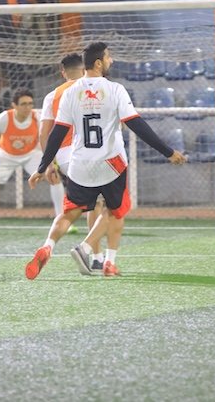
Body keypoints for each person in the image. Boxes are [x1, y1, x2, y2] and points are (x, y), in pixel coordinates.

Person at [24, 42, 187, 279]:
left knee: (70, 212)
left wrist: (42, 167)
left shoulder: (69, 92)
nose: (112, 61)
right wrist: (168, 152)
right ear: (99, 63)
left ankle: (47, 246)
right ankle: (91, 251)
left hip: (79, 164)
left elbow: (57, 132)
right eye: (109, 57)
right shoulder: (115, 89)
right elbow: (136, 124)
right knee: (116, 210)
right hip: (111, 163)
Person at [0, 88, 65, 234]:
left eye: (30, 103)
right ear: (14, 105)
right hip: (5, 155)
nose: (28, 107)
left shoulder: (38, 117)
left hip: (31, 154)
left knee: (53, 177)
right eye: (23, 104)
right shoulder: (3, 119)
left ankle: (61, 221)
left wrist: (52, 162)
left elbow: (47, 138)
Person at [40, 53, 106, 260]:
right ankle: (95, 257)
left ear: (63, 72)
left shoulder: (52, 96)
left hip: (64, 157)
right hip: (91, 152)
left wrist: (49, 164)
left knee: (77, 206)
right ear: (85, 68)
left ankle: (48, 245)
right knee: (100, 205)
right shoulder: (98, 87)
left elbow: (44, 134)